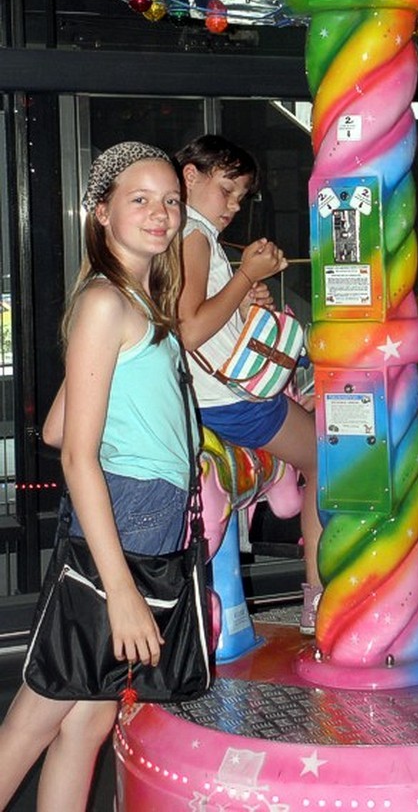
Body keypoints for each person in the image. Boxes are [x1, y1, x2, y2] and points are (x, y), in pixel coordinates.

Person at [0, 142, 196, 811]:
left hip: (143, 516)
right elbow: (75, 457)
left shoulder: (137, 298)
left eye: (170, 201)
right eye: (140, 199)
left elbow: (59, 428)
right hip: (126, 521)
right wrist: (121, 592)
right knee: (39, 713)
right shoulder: (108, 303)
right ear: (102, 212)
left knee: (86, 720)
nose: (161, 213)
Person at [174, 134, 322, 633]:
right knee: (325, 459)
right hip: (230, 401)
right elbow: (189, 329)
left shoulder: (183, 234)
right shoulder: (194, 235)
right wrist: (245, 277)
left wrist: (242, 299)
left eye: (241, 197)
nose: (234, 206)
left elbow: (202, 322)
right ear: (190, 175)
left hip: (204, 398)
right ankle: (317, 593)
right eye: (226, 190)